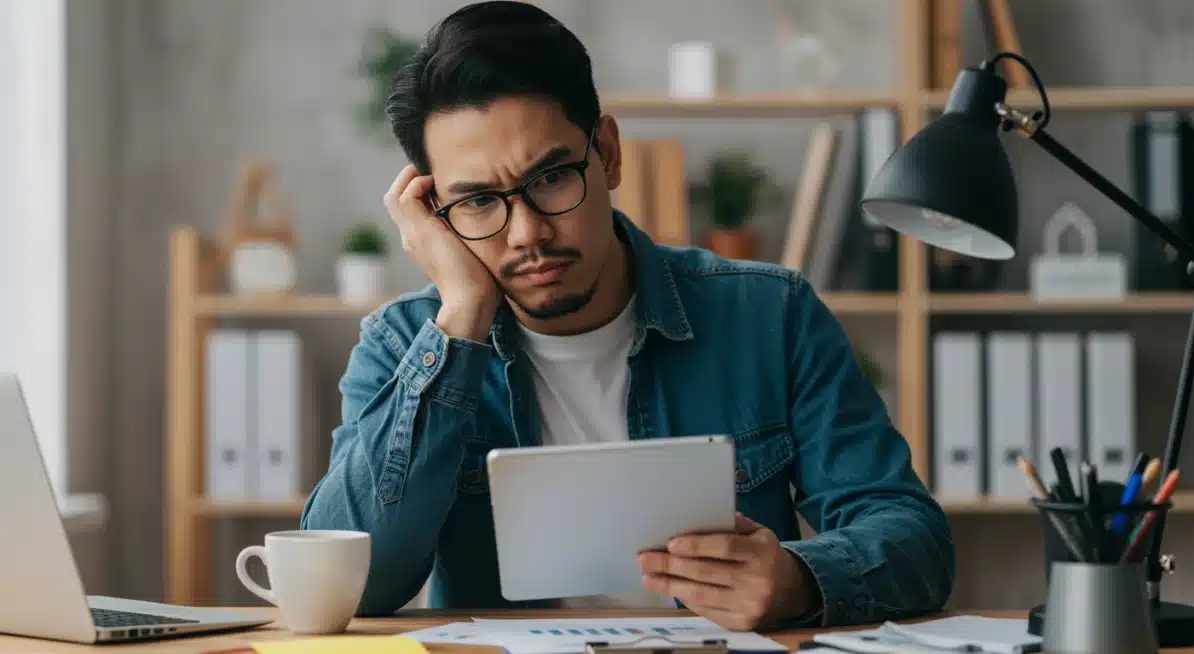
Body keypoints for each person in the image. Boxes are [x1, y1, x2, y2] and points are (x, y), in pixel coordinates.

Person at [301, 0, 954, 631]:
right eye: (477, 202)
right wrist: (463, 315)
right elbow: (348, 588)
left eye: (551, 178)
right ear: (431, 211)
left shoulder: (770, 314)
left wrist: (798, 580)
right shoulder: (404, 345)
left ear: (608, 153)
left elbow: (911, 536)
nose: (526, 233)